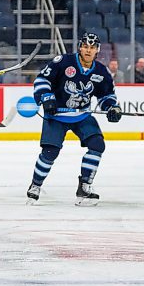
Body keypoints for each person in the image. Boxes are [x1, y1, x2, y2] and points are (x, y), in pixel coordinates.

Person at [26, 33, 122, 206]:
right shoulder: (62, 62)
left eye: (92, 47)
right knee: (50, 152)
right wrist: (46, 97)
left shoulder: (101, 71)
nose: (88, 50)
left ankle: (85, 186)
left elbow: (107, 95)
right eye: (85, 46)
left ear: (97, 50)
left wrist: (111, 107)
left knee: (97, 145)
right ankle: (35, 185)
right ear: (80, 47)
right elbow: (42, 79)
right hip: (57, 115)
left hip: (82, 115)